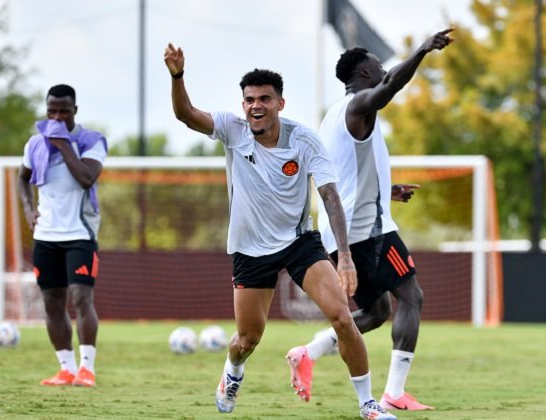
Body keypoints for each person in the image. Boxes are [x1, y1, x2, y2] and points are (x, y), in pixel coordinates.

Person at [164, 43, 395, 420]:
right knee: (247, 341)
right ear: (243, 105)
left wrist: (346, 257)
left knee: (342, 315)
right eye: (250, 99)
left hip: (299, 243)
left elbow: (330, 195)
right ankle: (232, 373)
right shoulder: (232, 130)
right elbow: (186, 114)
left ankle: (368, 405)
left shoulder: (303, 140)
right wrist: (177, 75)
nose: (256, 106)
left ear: (280, 104)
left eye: (265, 99)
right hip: (250, 250)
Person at [286, 29, 454, 412]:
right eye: (377, 66)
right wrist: (422, 50)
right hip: (367, 230)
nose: (383, 70)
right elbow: (391, 84)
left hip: (346, 228)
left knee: (377, 312)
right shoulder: (360, 104)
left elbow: (344, 172)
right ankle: (394, 392)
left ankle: (308, 352)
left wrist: (387, 189)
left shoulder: (334, 116)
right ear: (363, 74)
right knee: (412, 297)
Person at [18, 84, 108, 387]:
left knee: (81, 297)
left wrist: (63, 144)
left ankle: (87, 369)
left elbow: (86, 178)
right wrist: (29, 208)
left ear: (75, 111)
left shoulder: (90, 140)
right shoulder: (34, 144)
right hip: (45, 236)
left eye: (63, 111)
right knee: (52, 302)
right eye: (51, 110)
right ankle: (66, 368)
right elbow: (22, 178)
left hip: (79, 234)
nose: (56, 116)